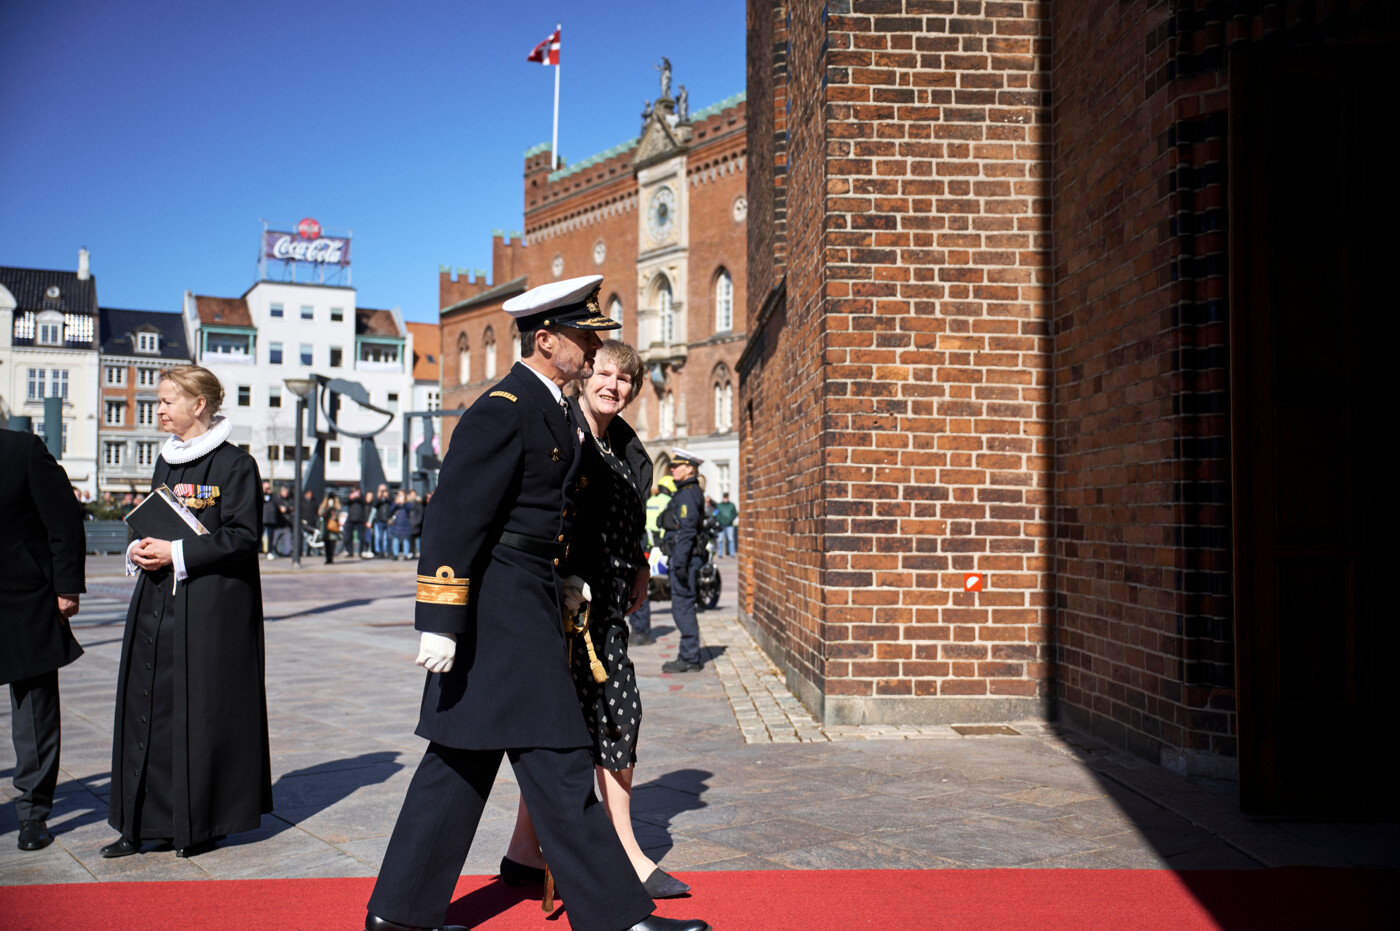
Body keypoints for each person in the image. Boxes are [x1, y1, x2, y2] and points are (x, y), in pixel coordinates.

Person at [366, 275, 707, 931]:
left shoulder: (551, 408)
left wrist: (574, 578)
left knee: (469, 765)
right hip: (498, 613)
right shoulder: (504, 406)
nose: (591, 345)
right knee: (539, 759)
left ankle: (399, 915)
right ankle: (615, 917)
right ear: (546, 339)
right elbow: (455, 520)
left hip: (531, 604)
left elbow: (556, 517)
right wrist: (438, 619)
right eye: (582, 335)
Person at [503, 339, 689, 899]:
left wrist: (635, 564)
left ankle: (522, 852)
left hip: (607, 603)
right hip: (567, 610)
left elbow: (625, 518)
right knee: (605, 719)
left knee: (580, 726)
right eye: (605, 372)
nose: (614, 385)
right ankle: (626, 852)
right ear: (586, 376)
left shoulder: (624, 447)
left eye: (626, 379)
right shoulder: (567, 435)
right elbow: (541, 510)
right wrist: (554, 580)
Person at [102, 364, 272, 859]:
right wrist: (136, 548)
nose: (158, 410)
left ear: (198, 405)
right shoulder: (167, 460)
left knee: (196, 714)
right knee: (145, 708)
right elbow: (154, 518)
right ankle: (139, 822)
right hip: (156, 601)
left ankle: (195, 824)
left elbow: (242, 536)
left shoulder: (236, 465)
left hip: (209, 610)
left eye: (167, 401)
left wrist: (176, 552)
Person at [1, 428, 86, 851]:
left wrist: (66, 585)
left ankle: (33, 812)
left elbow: (64, 518)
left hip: (24, 595)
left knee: (34, 710)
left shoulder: (22, 449)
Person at [659, 450, 706, 674]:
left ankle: (689, 656)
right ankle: (689, 654)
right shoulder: (687, 491)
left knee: (682, 606)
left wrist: (679, 563)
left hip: (684, 561)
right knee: (683, 605)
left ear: (689, 468)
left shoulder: (688, 494)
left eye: (677, 466)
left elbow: (686, 532)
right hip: (683, 559)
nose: (672, 469)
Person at [388, 490, 412, 560]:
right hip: (396, 525)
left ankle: (406, 554)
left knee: (406, 540)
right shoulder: (395, 503)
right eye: (399, 495)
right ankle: (395, 554)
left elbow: (410, 508)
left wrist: (403, 503)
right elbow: (390, 510)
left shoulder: (407, 503)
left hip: (405, 525)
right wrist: (396, 504)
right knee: (395, 540)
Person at [319, 493, 342, 565]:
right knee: (327, 544)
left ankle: (331, 558)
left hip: (333, 528)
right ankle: (328, 558)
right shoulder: (325, 506)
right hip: (325, 528)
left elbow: (337, 516)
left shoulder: (336, 507)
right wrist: (327, 509)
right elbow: (321, 514)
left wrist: (334, 513)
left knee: (332, 544)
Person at [345, 487, 367, 558]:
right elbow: (345, 502)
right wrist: (351, 497)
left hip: (360, 520)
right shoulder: (350, 498)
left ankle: (361, 552)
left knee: (361, 537)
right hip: (350, 520)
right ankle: (350, 552)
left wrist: (357, 496)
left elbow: (364, 502)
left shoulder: (362, 498)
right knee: (348, 537)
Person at [713, 492, 737, 557]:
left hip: (729, 525)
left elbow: (735, 514)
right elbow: (715, 514)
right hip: (721, 525)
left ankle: (732, 553)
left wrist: (730, 519)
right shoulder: (719, 505)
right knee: (720, 540)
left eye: (726, 497)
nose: (725, 499)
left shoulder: (731, 505)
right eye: (724, 497)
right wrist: (719, 520)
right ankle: (720, 554)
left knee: (731, 539)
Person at [372, 483, 392, 557]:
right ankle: (381, 552)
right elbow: (375, 505)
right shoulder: (377, 498)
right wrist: (379, 497)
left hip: (387, 520)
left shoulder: (389, 498)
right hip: (380, 520)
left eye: (384, 490)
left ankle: (389, 551)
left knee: (388, 537)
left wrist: (387, 498)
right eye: (381, 490)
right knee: (379, 537)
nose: (383, 492)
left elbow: (392, 505)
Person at [407, 488, 425, 558]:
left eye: (414, 495)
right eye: (411, 495)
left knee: (417, 540)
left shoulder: (418, 504)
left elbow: (420, 515)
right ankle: (411, 552)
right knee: (410, 540)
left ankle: (418, 552)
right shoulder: (408, 504)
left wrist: (417, 523)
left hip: (416, 525)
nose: (412, 496)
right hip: (409, 525)